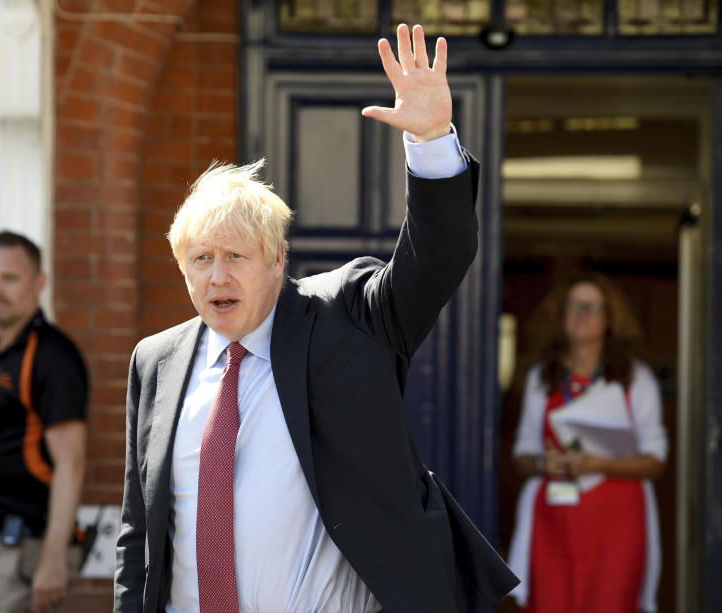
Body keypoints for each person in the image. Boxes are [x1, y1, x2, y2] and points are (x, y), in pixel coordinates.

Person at [115, 23, 518, 613]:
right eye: (201, 259)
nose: (217, 278)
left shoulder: (347, 317)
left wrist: (431, 140)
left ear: (278, 259)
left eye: (235, 257)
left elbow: (438, 258)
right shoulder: (156, 362)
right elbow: (138, 536)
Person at [0, 231, 89, 613]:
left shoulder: (52, 356)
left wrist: (54, 557)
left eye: (10, 278)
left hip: (25, 550)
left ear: (39, 283)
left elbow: (70, 462)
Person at [506, 273, 667, 613]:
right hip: (553, 523)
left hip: (617, 524)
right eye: (574, 305)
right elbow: (521, 455)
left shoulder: (635, 378)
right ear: (560, 316)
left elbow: (656, 460)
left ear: (610, 319)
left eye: (593, 306)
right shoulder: (542, 376)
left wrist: (599, 464)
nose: (582, 313)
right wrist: (540, 464)